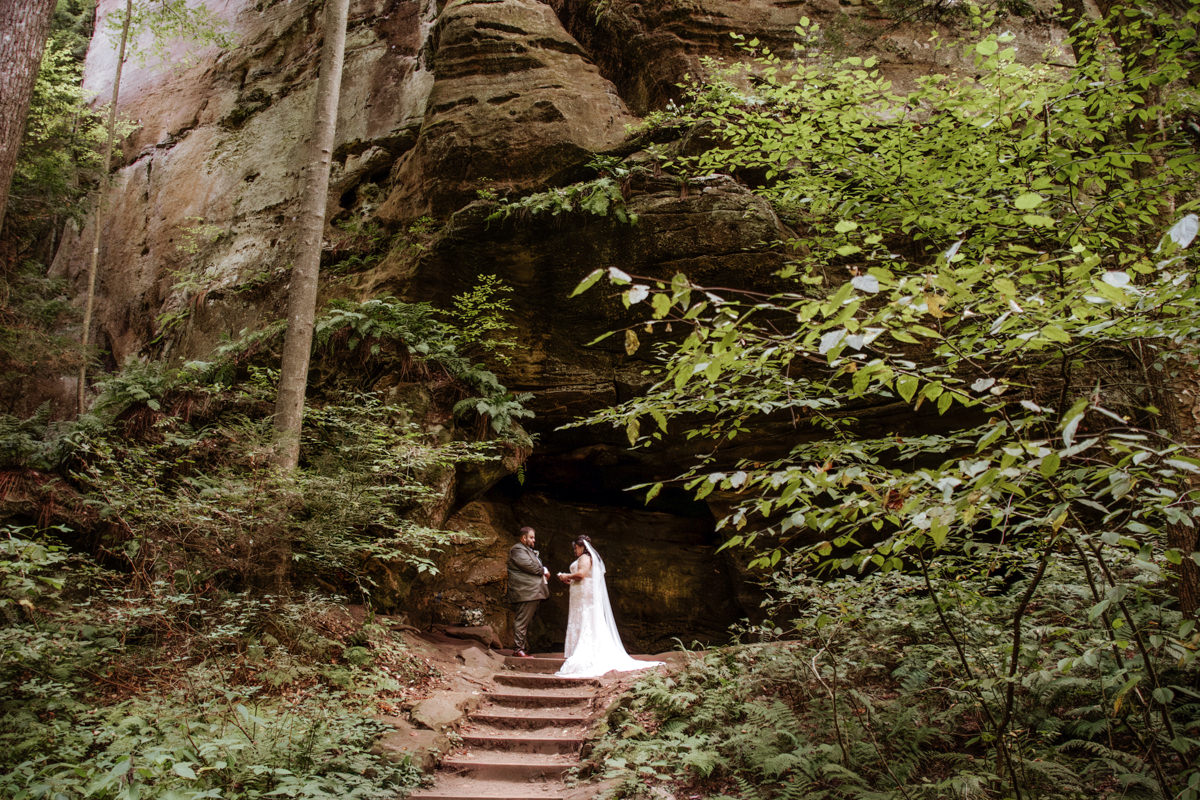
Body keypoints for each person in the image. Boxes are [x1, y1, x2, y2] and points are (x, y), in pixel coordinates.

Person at [555, 535, 663, 678]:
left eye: (575, 547)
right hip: (581, 595)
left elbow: (582, 574)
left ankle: (585, 653)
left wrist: (565, 575)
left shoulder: (585, 558)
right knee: (585, 621)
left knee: (586, 621)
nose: (575, 551)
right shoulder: (589, 558)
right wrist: (571, 580)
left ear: (581, 546)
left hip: (584, 598)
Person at [506, 526, 549, 658]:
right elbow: (529, 566)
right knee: (522, 621)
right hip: (526, 591)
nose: (534, 540)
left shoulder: (527, 550)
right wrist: (543, 570)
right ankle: (518, 650)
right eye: (531, 537)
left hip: (531, 592)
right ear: (523, 538)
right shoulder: (518, 549)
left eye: (534, 537)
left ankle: (521, 648)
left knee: (524, 621)